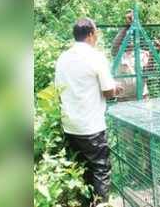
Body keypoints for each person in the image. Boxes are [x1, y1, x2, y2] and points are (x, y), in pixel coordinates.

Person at [55, 17, 122, 205]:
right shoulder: (96, 56)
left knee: (83, 168)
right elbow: (108, 91)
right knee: (101, 169)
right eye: (97, 32)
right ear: (91, 34)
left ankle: (86, 203)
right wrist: (115, 88)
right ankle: (100, 204)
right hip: (90, 126)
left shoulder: (63, 57)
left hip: (70, 124)